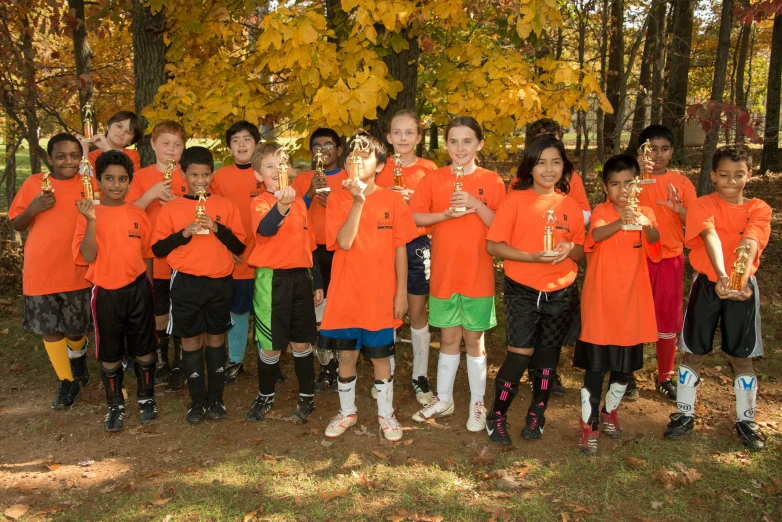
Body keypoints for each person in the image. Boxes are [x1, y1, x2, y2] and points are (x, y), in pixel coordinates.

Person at [664, 145, 771, 451]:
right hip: (709, 285)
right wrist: (722, 276)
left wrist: (737, 280)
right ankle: (684, 414)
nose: (731, 181)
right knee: (694, 352)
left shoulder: (759, 208)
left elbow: (750, 241)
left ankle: (746, 419)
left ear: (749, 175)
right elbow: (709, 236)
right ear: (713, 175)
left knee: (742, 356)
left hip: (742, 287)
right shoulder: (702, 204)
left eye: (739, 175)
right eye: (724, 175)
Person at [483, 135, 585, 445]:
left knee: (547, 358)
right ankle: (496, 415)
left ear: (564, 167)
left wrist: (569, 248)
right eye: (541, 162)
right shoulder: (515, 200)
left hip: (561, 290)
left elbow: (580, 250)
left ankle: (536, 414)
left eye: (556, 162)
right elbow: (493, 245)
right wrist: (530, 257)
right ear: (530, 167)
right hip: (524, 289)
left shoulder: (571, 205)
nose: (549, 169)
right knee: (520, 354)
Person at [409, 116, 506, 432]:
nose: (460, 148)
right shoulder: (433, 179)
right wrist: (445, 215)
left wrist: (477, 204)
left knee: (474, 340)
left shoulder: (492, 181)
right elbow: (415, 217)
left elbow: (500, 226)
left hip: (477, 275)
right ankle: (445, 398)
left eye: (467, 141)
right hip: (444, 275)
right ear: (446, 145)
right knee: (448, 337)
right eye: (453, 141)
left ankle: (478, 404)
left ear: (479, 144)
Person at [320, 133, 418, 442]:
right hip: (346, 296)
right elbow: (344, 242)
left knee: (380, 357)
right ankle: (347, 412)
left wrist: (401, 293)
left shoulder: (392, 200)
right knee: (346, 357)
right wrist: (358, 201)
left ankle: (385, 413)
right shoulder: (336, 198)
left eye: (364, 157)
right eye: (351, 156)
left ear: (380, 166)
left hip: (379, 297)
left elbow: (401, 249)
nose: (355, 161)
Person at [151, 146, 246, 424]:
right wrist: (184, 233)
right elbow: (157, 248)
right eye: (194, 174)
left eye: (205, 174)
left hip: (219, 282)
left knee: (215, 338)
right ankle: (197, 399)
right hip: (186, 283)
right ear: (183, 174)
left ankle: (216, 398)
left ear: (212, 174)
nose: (200, 180)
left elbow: (240, 245)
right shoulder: (172, 208)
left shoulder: (225, 206)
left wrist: (217, 229)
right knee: (191, 339)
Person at [573, 155, 661, 455]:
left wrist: (644, 223)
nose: (623, 190)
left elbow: (655, 240)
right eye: (615, 184)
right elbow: (595, 235)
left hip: (632, 304)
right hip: (600, 304)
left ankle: (610, 410)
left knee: (625, 369)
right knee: (595, 368)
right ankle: (589, 425)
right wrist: (620, 222)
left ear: (639, 185)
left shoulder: (646, 211)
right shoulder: (601, 212)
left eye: (629, 184)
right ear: (605, 187)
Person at [72, 151, 158, 431]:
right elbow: (87, 254)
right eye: (109, 178)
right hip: (107, 292)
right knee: (109, 351)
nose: (116, 185)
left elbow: (146, 254)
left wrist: (148, 286)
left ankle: (146, 398)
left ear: (130, 182)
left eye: (122, 179)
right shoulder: (88, 213)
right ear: (98, 181)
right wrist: (91, 221)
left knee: (144, 347)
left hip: (138, 289)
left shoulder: (137, 214)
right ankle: (115, 405)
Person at [10, 133, 94, 409]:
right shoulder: (36, 184)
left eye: (73, 156)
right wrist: (34, 207)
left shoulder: (89, 184)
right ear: (49, 159)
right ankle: (66, 381)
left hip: (77, 269)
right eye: (60, 156)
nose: (67, 161)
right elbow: (17, 224)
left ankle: (78, 356)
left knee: (76, 327)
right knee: (50, 328)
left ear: (80, 158)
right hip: (42, 269)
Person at [244, 142, 324, 424]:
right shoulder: (261, 202)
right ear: (258, 175)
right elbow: (265, 229)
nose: (278, 171)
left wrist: (317, 282)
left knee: (302, 343)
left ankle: (306, 397)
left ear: (289, 169)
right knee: (271, 345)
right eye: (269, 167)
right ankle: (265, 394)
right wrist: (282, 205)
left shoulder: (301, 205)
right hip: (272, 280)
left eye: (282, 165)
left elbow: (310, 245)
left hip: (300, 279)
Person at [520, 118, 594, 396]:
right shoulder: (521, 178)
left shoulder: (570, 177)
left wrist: (563, 223)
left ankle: (550, 372)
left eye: (553, 136)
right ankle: (531, 370)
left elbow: (585, 212)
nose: (548, 139)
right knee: (530, 324)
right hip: (531, 260)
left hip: (560, 258)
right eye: (541, 136)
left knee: (555, 323)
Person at [629, 124, 696, 401]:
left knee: (667, 318)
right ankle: (627, 375)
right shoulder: (632, 179)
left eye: (664, 149)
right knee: (632, 315)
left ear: (672, 151)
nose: (657, 155)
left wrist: (679, 209)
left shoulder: (681, 183)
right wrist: (636, 175)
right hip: (635, 257)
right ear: (641, 151)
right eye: (651, 149)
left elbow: (693, 222)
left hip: (670, 257)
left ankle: (664, 376)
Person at [376, 109, 438, 405]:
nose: (403, 138)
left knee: (416, 310)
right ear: (388, 137)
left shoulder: (429, 168)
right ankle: (385, 372)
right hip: (385, 244)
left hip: (417, 242)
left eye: (409, 133)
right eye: (397, 133)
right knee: (387, 308)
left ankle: (420, 375)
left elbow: (435, 207)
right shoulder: (378, 167)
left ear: (418, 136)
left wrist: (412, 199)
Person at [127, 121, 188, 391]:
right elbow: (127, 212)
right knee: (158, 308)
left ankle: (182, 361)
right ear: (152, 144)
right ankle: (160, 358)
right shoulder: (141, 176)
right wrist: (151, 194)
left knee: (183, 307)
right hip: (152, 256)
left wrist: (178, 205)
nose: (171, 150)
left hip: (186, 255)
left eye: (177, 145)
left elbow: (204, 207)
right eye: (165, 143)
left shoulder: (188, 175)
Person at [290, 129, 346, 392]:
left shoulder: (350, 178)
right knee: (318, 309)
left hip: (342, 251)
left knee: (340, 307)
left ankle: (342, 365)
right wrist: (310, 193)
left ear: (339, 150)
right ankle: (325, 367)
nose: (322, 150)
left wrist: (333, 202)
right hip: (310, 252)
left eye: (328, 145)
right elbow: (289, 213)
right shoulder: (303, 179)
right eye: (316, 146)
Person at [210, 121, 263, 383]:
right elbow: (213, 216)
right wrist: (225, 248)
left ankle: (269, 360)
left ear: (256, 144)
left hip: (266, 257)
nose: (241, 145)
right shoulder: (220, 178)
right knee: (239, 311)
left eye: (247, 139)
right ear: (229, 147)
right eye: (235, 140)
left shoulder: (266, 173)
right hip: (237, 256)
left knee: (266, 310)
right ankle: (236, 360)